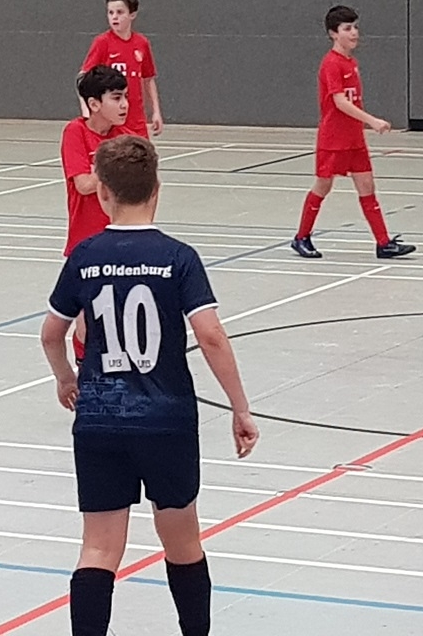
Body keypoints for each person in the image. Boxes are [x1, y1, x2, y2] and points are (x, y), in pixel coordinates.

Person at [41, 135, 259, 636]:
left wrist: (66, 378)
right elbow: (210, 336)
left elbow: (52, 333)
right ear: (158, 188)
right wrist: (240, 407)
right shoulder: (178, 257)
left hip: (99, 418)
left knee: (98, 547)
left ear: (103, 193)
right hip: (167, 420)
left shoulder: (85, 256)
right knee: (182, 541)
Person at [291, 5, 415, 260]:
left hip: (354, 139)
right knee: (323, 186)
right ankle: (301, 237)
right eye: (347, 28)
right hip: (333, 139)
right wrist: (372, 120)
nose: (354, 33)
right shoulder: (331, 64)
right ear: (333, 34)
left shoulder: (351, 62)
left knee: (367, 186)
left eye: (355, 27)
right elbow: (339, 102)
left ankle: (383, 243)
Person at [61, 65, 130, 364]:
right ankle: (84, 369)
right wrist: (113, 166)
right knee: (86, 323)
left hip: (121, 242)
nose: (125, 104)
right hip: (85, 243)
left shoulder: (126, 137)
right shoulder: (75, 132)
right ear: (94, 103)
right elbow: (84, 184)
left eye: (125, 97)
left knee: (120, 320)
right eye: (116, 98)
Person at [80, 0, 163, 138]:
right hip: (111, 120)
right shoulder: (102, 42)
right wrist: (87, 111)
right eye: (110, 13)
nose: (114, 17)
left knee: (141, 152)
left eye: (119, 12)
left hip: (136, 120)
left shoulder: (141, 43)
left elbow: (148, 79)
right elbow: (83, 78)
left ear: (132, 14)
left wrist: (156, 112)